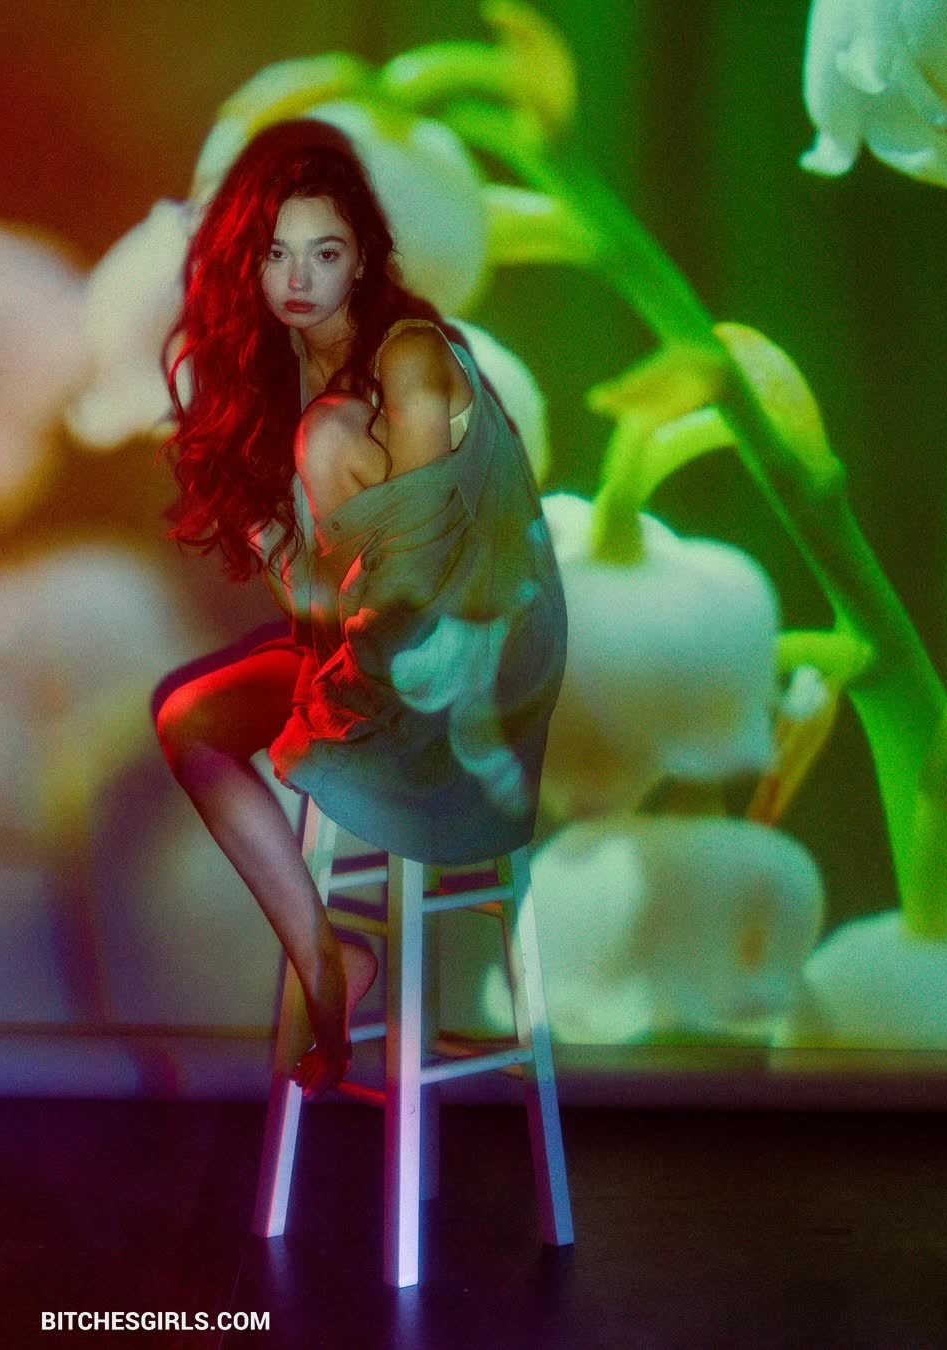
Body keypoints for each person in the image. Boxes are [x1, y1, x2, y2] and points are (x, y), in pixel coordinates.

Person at [153, 120, 567, 1100]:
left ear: (365, 259)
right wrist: (265, 534)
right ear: (247, 265)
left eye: (326, 253)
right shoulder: (285, 389)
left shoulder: (411, 354)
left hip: (475, 659)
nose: (300, 278)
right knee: (190, 723)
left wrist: (327, 543)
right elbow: (318, 609)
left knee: (332, 435)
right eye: (277, 254)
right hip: (376, 659)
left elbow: (419, 561)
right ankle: (324, 956)